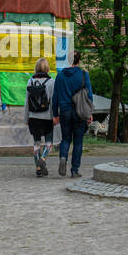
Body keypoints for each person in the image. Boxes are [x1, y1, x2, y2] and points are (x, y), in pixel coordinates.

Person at [52, 49, 93, 177]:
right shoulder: (83, 74)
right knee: (78, 142)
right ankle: (74, 170)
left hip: (64, 111)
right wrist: (89, 113)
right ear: (79, 60)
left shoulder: (60, 76)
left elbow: (55, 97)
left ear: (68, 60)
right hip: (79, 111)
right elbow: (89, 95)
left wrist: (55, 114)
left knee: (65, 139)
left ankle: (63, 157)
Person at [26, 57, 56, 177]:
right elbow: (53, 101)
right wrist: (55, 116)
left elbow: (26, 102)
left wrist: (26, 118)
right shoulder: (51, 82)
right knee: (49, 142)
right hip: (47, 117)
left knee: (36, 143)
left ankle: (38, 168)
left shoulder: (30, 82)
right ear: (47, 68)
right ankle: (43, 159)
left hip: (33, 117)